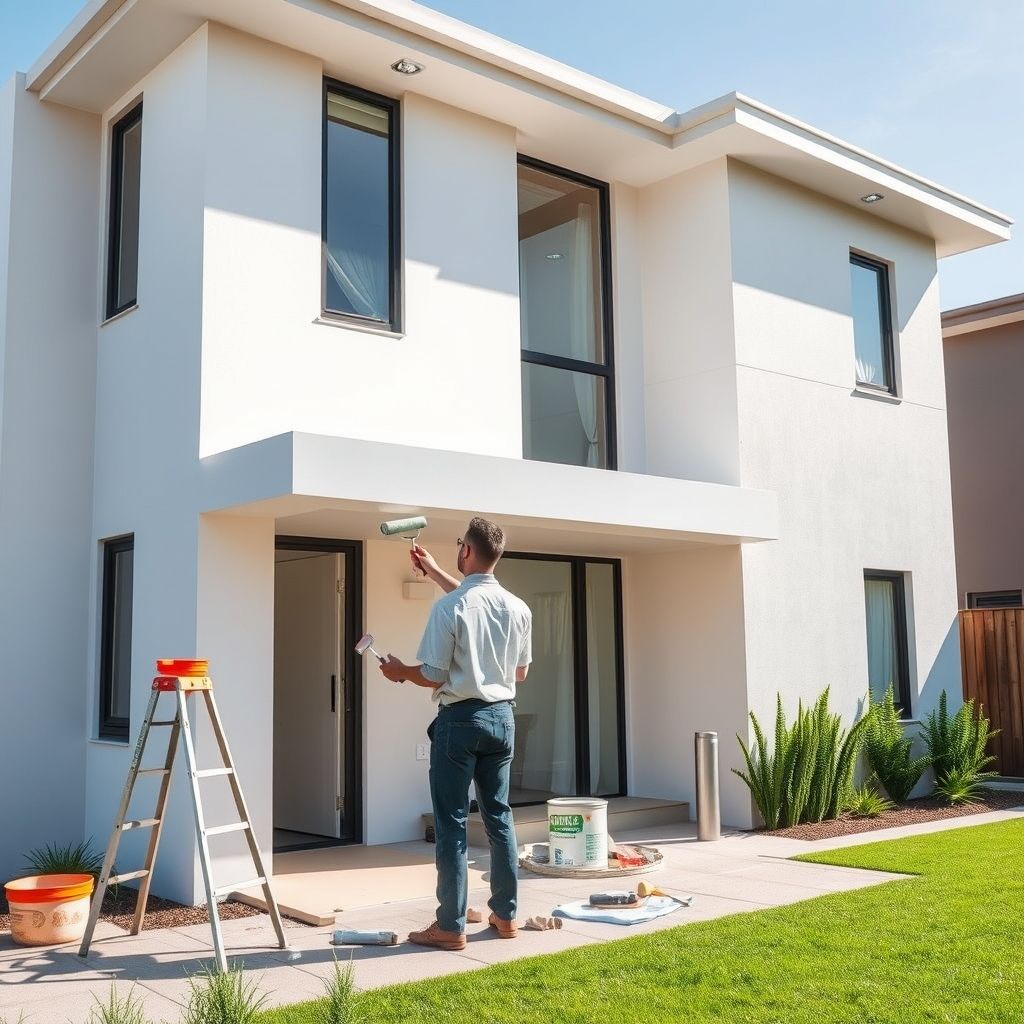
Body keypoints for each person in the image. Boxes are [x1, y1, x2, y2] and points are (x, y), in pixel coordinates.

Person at [380, 516, 532, 950]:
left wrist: (399, 672)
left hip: (460, 721)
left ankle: (450, 926)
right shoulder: (518, 607)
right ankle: (506, 917)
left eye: (458, 545)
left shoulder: (449, 609)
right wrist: (432, 571)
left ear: (466, 550)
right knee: (499, 817)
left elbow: (432, 673)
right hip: (503, 718)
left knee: (452, 823)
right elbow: (518, 672)